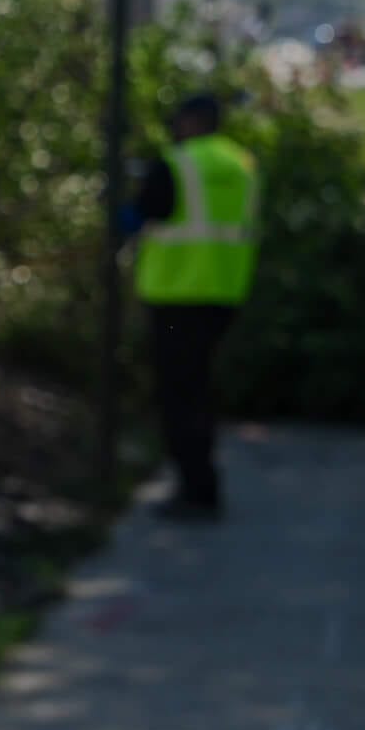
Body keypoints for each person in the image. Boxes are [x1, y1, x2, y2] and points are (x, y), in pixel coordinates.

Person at [126, 92, 260, 517]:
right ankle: (200, 484)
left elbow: (142, 214)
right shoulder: (242, 164)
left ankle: (196, 489)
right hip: (224, 295)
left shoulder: (177, 162)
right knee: (198, 388)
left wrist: (118, 218)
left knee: (179, 395)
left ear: (193, 121)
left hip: (175, 297)